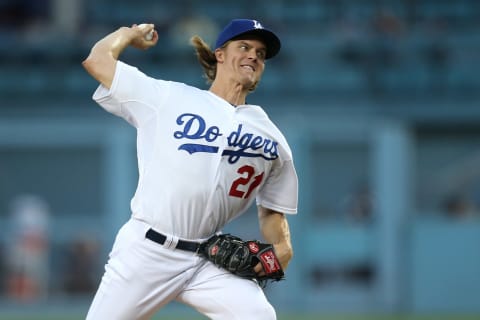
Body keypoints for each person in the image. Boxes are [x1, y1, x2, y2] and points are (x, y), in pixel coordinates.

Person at [82, 18, 298, 320]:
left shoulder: (273, 140)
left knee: (259, 315)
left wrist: (281, 251)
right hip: (147, 251)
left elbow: (274, 215)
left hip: (207, 260)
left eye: (261, 54)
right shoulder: (168, 97)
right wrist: (128, 34)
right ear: (220, 54)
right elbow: (97, 60)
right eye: (245, 47)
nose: (254, 56)